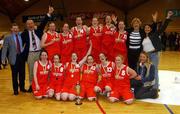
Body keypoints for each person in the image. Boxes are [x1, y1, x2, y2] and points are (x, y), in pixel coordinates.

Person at [21, 6, 54, 92]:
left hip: (40, 53)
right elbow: (20, 44)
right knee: (31, 70)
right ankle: (32, 86)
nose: (30, 25)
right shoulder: (23, 34)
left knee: (42, 69)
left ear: (33, 24)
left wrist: (49, 13)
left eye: (31, 23)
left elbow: (44, 22)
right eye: (28, 24)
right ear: (26, 25)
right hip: (30, 54)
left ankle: (43, 84)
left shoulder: (38, 30)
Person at [142, 11, 173, 90]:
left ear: (150, 29)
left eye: (148, 28)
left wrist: (167, 18)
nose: (147, 29)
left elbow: (163, 28)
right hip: (145, 56)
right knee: (146, 71)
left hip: (153, 55)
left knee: (155, 70)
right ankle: (147, 84)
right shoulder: (143, 37)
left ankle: (156, 87)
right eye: (145, 28)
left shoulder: (154, 34)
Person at [1, 24, 26, 95]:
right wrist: (3, 58)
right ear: (11, 29)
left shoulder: (21, 35)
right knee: (14, 75)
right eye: (14, 28)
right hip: (13, 58)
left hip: (21, 57)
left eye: (17, 28)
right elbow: (4, 48)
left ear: (18, 29)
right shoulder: (7, 37)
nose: (15, 30)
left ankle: (22, 88)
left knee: (22, 74)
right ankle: (15, 90)